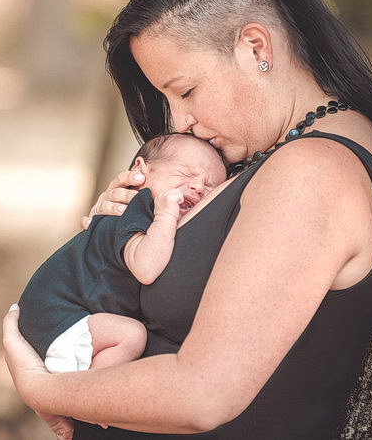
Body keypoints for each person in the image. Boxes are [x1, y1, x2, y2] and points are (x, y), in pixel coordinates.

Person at [3, 0, 372, 439]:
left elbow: (202, 393)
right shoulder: (279, 155)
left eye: (187, 90)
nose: (180, 121)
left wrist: (41, 388)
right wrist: (121, 235)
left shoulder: (313, 171)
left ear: (254, 46)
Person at [18, 133, 227, 438]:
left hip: (67, 320)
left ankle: (66, 408)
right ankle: (93, 401)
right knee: (131, 334)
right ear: (140, 171)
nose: (197, 186)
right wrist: (167, 215)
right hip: (57, 315)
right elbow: (146, 268)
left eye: (210, 188)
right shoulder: (136, 211)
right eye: (185, 174)